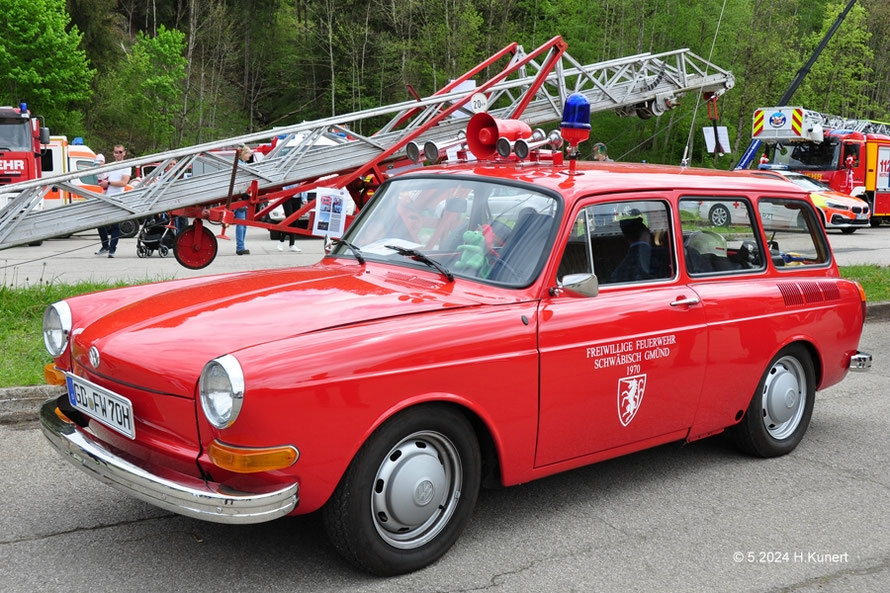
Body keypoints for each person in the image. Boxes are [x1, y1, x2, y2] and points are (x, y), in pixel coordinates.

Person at [95, 144, 131, 258]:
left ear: (124, 153)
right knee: (100, 223)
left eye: (120, 152)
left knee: (115, 226)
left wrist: (109, 183)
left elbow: (124, 183)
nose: (118, 154)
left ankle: (112, 249)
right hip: (107, 197)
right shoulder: (110, 166)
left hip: (118, 199)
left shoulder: (127, 166)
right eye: (116, 152)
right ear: (113, 153)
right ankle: (105, 245)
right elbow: (103, 178)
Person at [234, 144, 254, 255]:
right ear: (242, 154)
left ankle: (241, 246)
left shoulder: (241, 165)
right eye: (248, 153)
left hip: (242, 196)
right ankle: (240, 247)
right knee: (241, 223)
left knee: (243, 223)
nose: (250, 155)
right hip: (240, 197)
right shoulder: (241, 166)